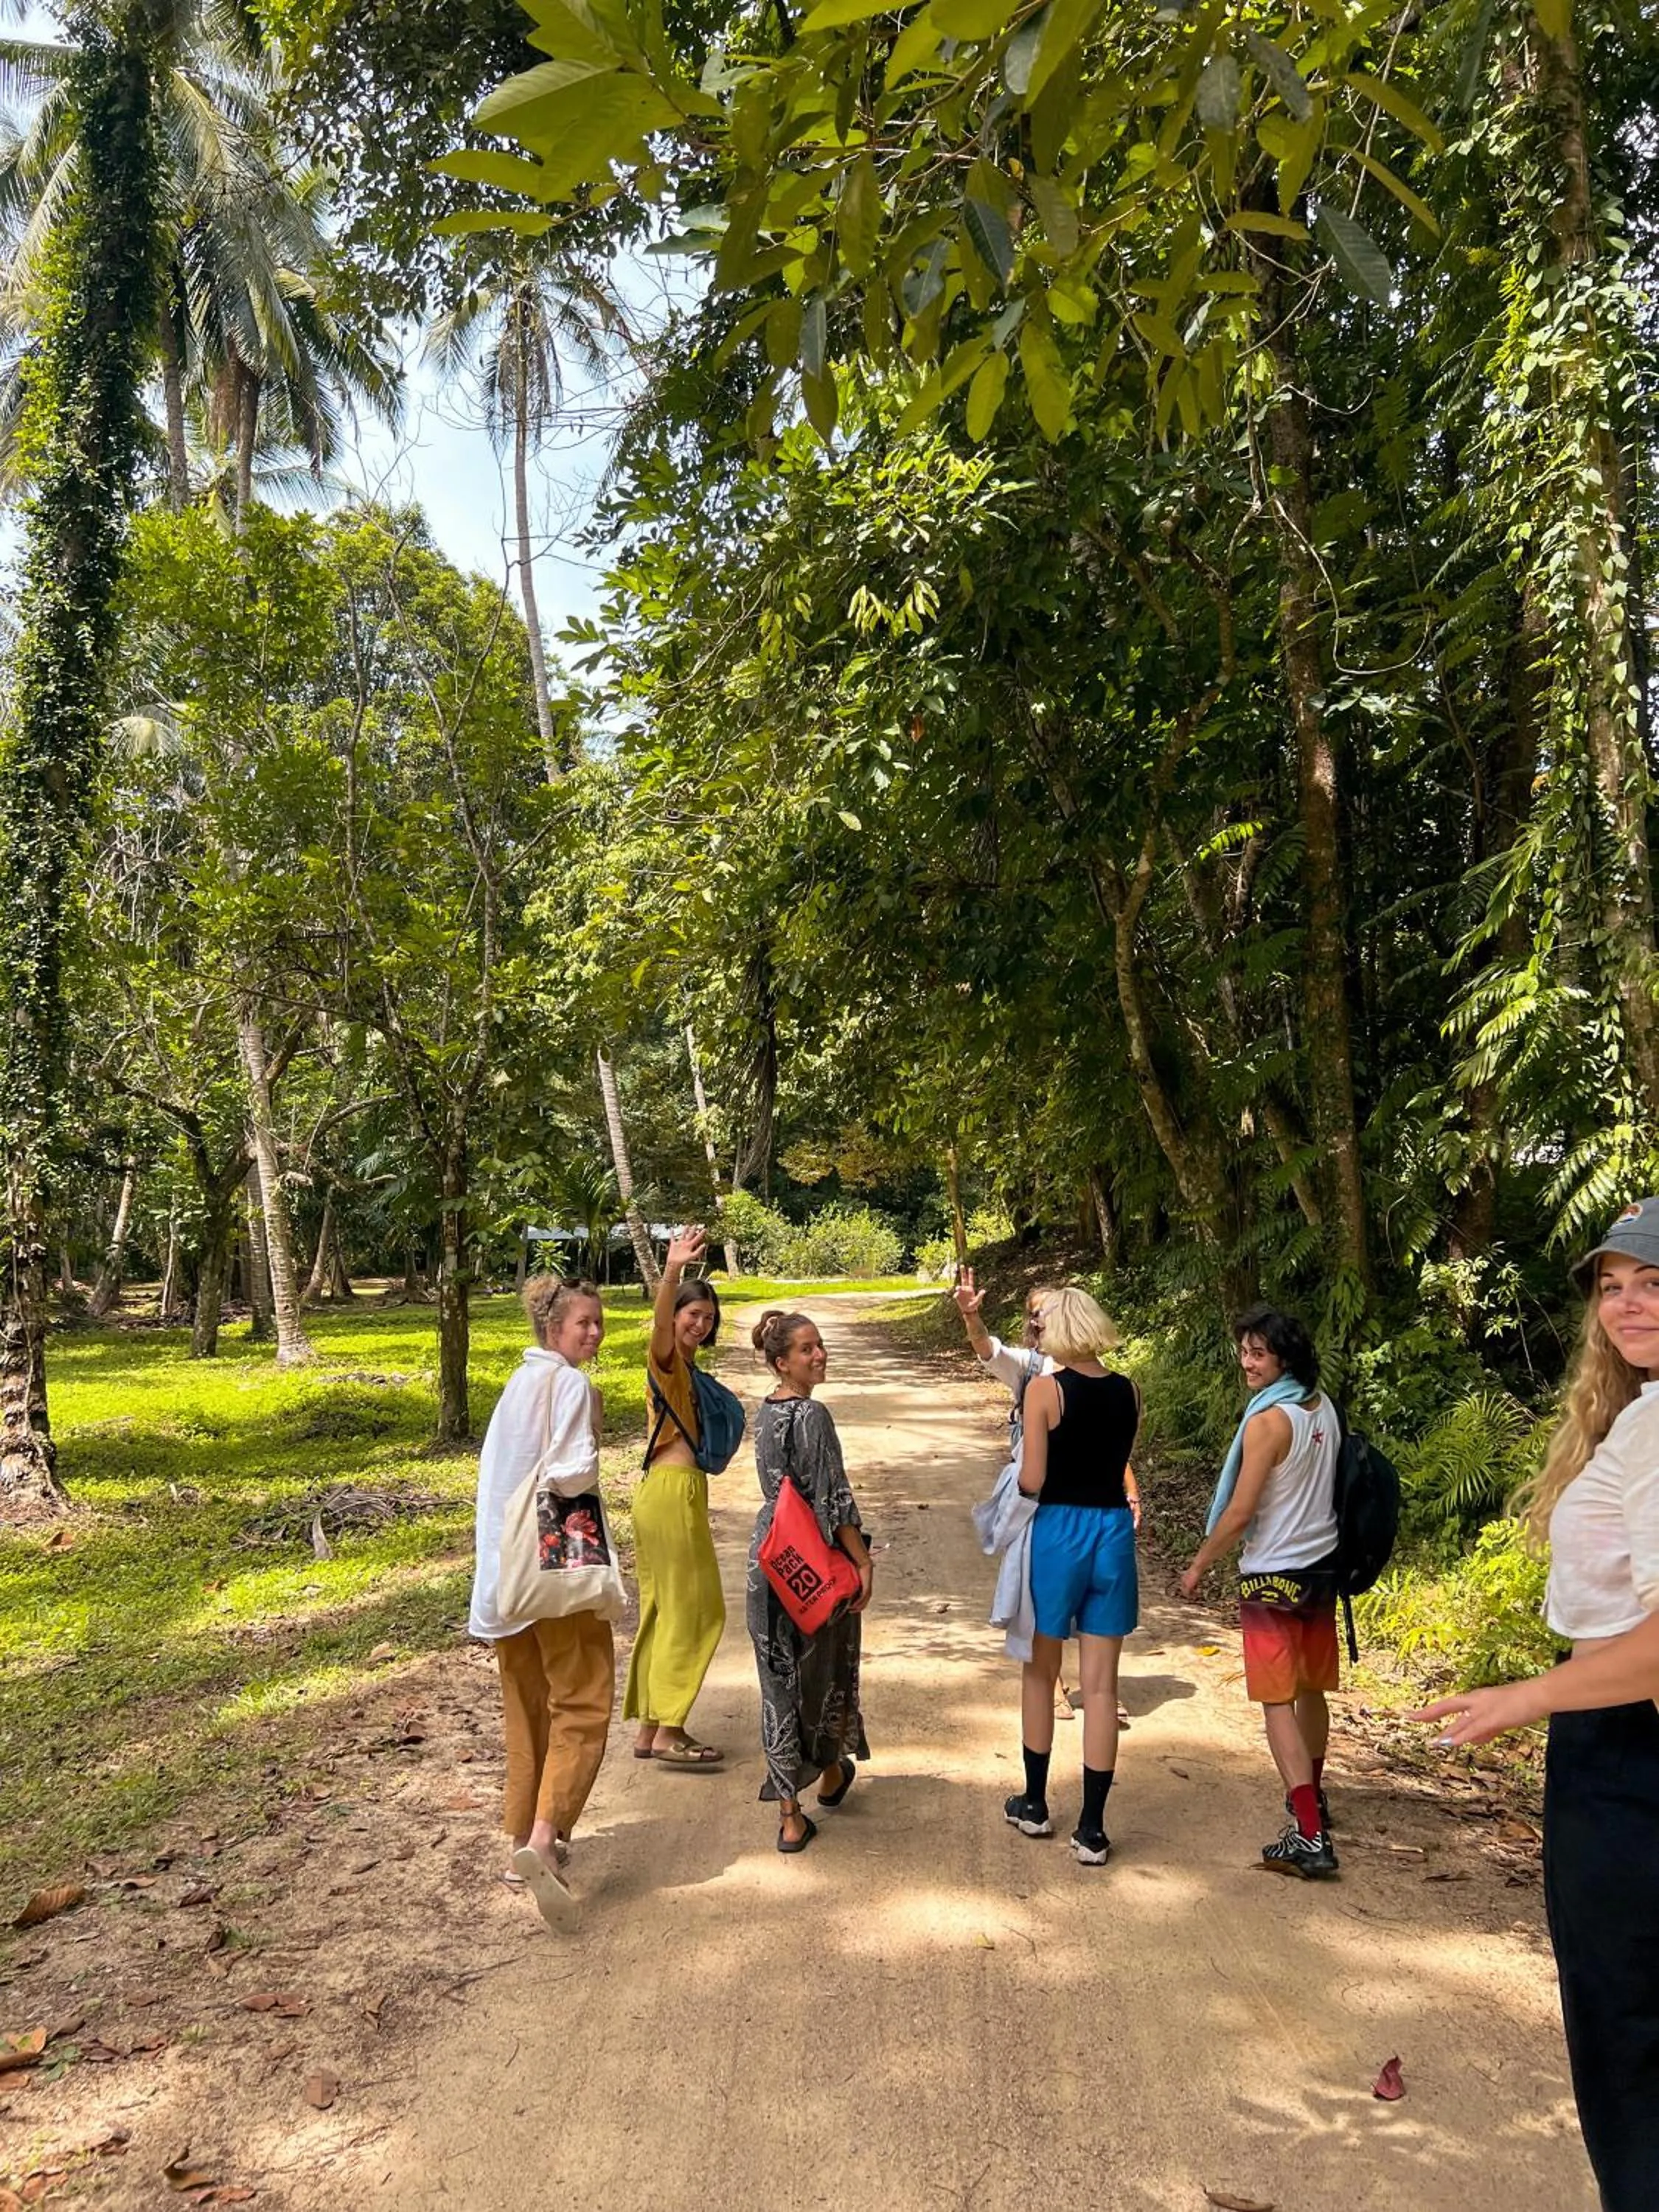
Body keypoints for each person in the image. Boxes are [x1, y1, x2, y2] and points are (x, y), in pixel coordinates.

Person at [1416, 1197, 1659, 2211]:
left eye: (1651, 1281)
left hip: (1623, 1759)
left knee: (1627, 2048)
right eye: (1611, 1286)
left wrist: (1526, 1698)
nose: (1626, 1304)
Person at [469, 1275, 612, 1930]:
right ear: (553, 1329)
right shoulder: (573, 1385)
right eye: (583, 1323)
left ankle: (519, 1838)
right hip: (558, 1566)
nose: (594, 1333)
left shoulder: (517, 1385)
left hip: (507, 1575)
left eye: (599, 1323)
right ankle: (546, 1838)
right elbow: (571, 1474)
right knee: (582, 1700)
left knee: (526, 1708)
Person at [1180, 1304, 1340, 1879]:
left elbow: (1241, 1510)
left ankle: (1309, 1835)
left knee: (1277, 1701)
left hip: (1273, 1573)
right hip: (1322, 1569)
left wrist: (1199, 1563)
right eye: (1244, 1351)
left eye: (1258, 1354)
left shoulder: (1266, 1423)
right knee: (1311, 1691)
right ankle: (1313, 1798)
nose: (1247, 1363)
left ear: (1283, 1358)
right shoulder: (1322, 1408)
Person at [956, 1267, 1141, 1718]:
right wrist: (971, 1317)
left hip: (1056, 1514)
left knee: (1053, 1614)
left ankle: (1039, 1779)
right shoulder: (1035, 1369)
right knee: (1057, 1626)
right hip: (1090, 1518)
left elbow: (1106, 1454)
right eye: (1035, 1315)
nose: (1040, 1323)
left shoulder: (1056, 1388)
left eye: (1048, 1314)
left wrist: (1130, 1488)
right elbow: (987, 1350)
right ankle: (1065, 1689)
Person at [1001, 1285, 1140, 1867]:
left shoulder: (1044, 1389)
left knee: (1041, 1672)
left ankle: (1034, 1803)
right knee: (1103, 1687)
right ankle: (1093, 1828)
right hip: (1112, 1530)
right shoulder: (1130, 1389)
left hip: (1058, 1531)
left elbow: (1032, 1478)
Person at [746, 1310, 873, 1854]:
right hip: (814, 1564)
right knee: (824, 1672)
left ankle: (791, 1816)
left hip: (770, 1558)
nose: (818, 1355)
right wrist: (861, 1562)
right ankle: (828, 1770)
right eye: (806, 1350)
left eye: (819, 1345)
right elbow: (834, 1498)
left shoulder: (764, 1412)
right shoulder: (812, 1415)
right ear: (782, 1362)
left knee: (778, 1683)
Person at [625, 1226, 727, 1769]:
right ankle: (671, 1729)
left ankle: (649, 1729)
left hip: (665, 1493)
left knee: (666, 1609)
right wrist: (672, 1272)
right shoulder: (665, 1362)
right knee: (699, 1609)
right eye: (692, 1314)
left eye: (708, 1318)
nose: (699, 1323)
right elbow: (661, 1326)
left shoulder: (687, 1370)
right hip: (670, 1492)